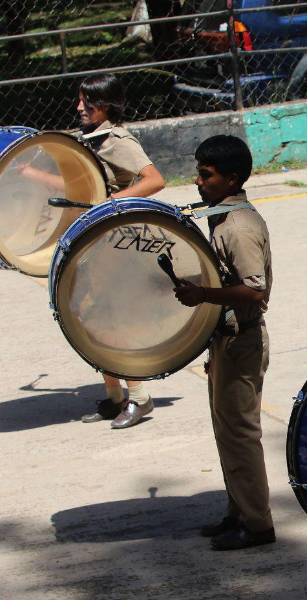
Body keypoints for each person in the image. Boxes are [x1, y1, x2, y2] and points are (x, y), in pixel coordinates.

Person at [174, 135, 275, 551]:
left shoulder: (239, 228)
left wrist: (202, 295)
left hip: (242, 342)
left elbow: (254, 290)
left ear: (232, 179)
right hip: (225, 341)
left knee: (241, 434)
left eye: (206, 175)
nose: (198, 182)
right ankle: (239, 512)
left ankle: (258, 525)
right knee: (227, 432)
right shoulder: (222, 216)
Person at [70, 74, 166, 429]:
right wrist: (30, 172)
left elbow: (154, 179)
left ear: (105, 104)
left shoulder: (117, 140)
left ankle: (138, 397)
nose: (79, 107)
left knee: (111, 320)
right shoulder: (90, 139)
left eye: (87, 101)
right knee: (89, 316)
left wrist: (111, 202)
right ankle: (114, 397)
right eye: (79, 100)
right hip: (93, 244)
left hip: (114, 244)